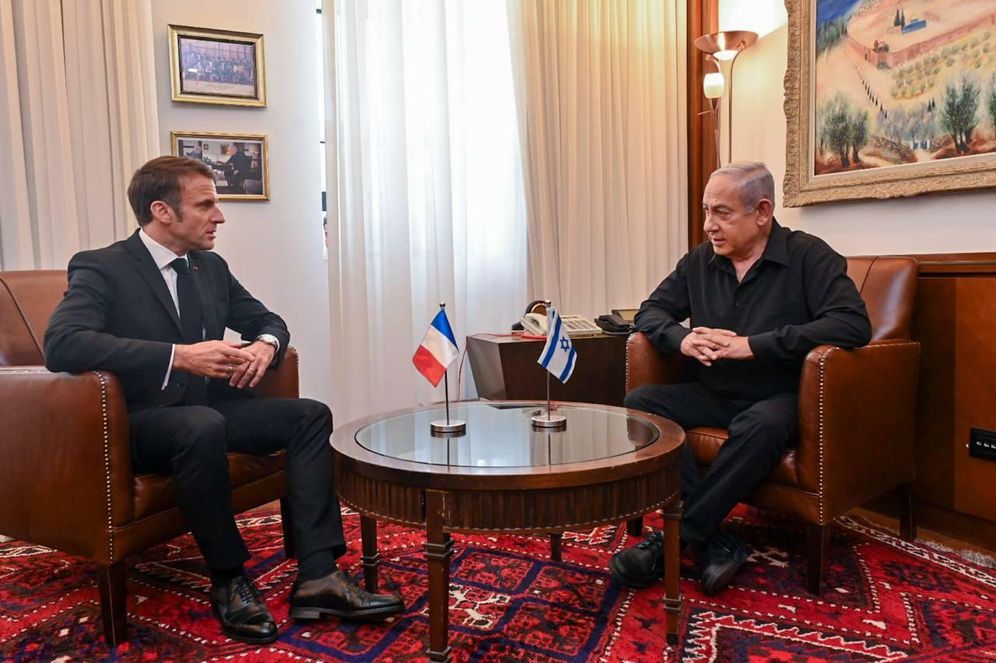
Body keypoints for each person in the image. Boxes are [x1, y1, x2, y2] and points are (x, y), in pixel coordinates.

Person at [44, 156, 404, 644]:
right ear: (162, 211)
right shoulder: (103, 266)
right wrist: (179, 356)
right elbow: (63, 343)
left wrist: (265, 345)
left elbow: (268, 319)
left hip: (207, 409)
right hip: (137, 423)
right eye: (206, 204)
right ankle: (230, 577)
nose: (220, 216)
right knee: (200, 426)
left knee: (310, 416)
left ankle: (318, 575)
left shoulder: (209, 266)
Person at [610, 161, 871, 595]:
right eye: (706, 211)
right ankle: (715, 539)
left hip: (779, 396)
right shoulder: (698, 261)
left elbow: (851, 324)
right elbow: (649, 312)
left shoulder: (809, 256)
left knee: (760, 424)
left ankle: (677, 537)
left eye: (723, 213)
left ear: (762, 211)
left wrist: (754, 344)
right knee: (642, 402)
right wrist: (683, 338)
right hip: (713, 390)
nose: (710, 225)